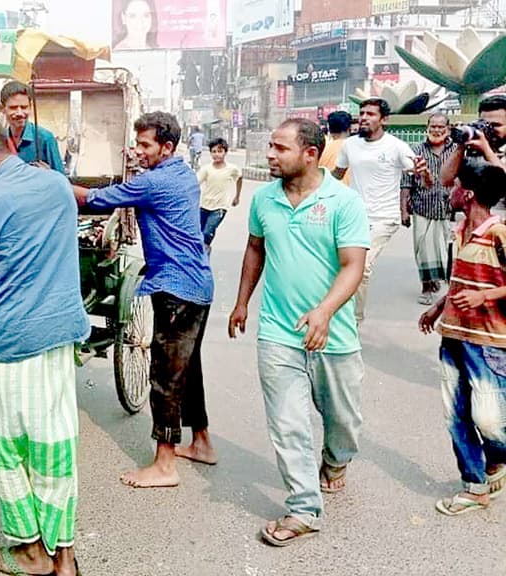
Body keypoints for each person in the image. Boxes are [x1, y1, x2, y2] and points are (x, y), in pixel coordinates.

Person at [0, 114, 89, 576]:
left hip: (12, 340)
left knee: (7, 447)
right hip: (60, 336)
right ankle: (63, 555)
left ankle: (31, 551)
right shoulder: (56, 186)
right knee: (55, 445)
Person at [229, 118, 370, 547]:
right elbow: (256, 249)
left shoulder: (343, 202)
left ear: (310, 154)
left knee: (343, 421)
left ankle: (336, 459)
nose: (271, 155)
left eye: (280, 148)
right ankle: (304, 508)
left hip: (335, 335)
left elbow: (353, 266)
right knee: (288, 422)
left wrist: (324, 312)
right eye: (270, 147)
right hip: (278, 332)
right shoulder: (264, 200)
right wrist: (241, 302)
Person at [74, 111, 217, 487]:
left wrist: (50, 182)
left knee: (166, 375)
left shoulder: (154, 183)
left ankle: (165, 464)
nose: (138, 151)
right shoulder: (182, 172)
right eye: (137, 143)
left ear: (166, 147)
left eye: (145, 145)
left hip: (176, 288)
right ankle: (201, 442)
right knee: (189, 369)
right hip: (197, 283)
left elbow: (94, 200)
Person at [419, 158, 506, 516]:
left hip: (489, 341)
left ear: (467, 193)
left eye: (455, 187)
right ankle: (474, 487)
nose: (450, 191)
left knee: (488, 419)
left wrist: (485, 296)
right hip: (453, 335)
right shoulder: (459, 231)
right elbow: (461, 279)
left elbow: (486, 287)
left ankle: (498, 460)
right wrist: (439, 307)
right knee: (455, 415)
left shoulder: (499, 233)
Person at [333, 98, 415, 324]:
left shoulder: (397, 146)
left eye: (371, 114)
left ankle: (353, 321)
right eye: (362, 113)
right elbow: (337, 175)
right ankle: (341, 312)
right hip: (355, 216)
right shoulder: (350, 145)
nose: (364, 118)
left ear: (384, 119)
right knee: (343, 264)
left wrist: (424, 174)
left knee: (362, 267)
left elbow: (422, 178)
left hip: (384, 218)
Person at [407, 114, 457, 305]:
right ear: (427, 128)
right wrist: (404, 209)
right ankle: (427, 287)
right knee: (423, 250)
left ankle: (446, 285)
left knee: (448, 250)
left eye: (440, 127)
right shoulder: (417, 150)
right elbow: (406, 182)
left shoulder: (456, 150)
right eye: (433, 126)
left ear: (448, 128)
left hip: (448, 210)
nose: (436, 130)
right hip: (422, 208)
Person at [439, 95, 506, 209]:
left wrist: (486, 151)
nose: (489, 129)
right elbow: (445, 180)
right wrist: (461, 144)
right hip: (472, 221)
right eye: (485, 124)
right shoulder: (473, 149)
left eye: (495, 125)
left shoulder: (485, 149)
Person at [0, 81, 66, 174]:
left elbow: (62, 180)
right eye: (13, 108)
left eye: (24, 107)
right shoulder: (0, 140)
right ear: (2, 108)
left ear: (30, 107)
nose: (19, 113)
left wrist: (48, 174)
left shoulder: (45, 138)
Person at [198, 137, 243, 251]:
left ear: (225, 152)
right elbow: (195, 182)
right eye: (213, 152)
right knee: (198, 232)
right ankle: (201, 253)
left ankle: (204, 253)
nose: (216, 154)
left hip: (220, 208)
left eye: (219, 151)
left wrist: (237, 196)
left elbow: (239, 178)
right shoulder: (206, 169)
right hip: (204, 205)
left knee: (208, 232)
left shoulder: (231, 169)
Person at [319, 111, 352, 184]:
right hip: (352, 192)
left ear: (329, 129)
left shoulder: (321, 150)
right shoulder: (355, 148)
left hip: (328, 192)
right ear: (349, 128)